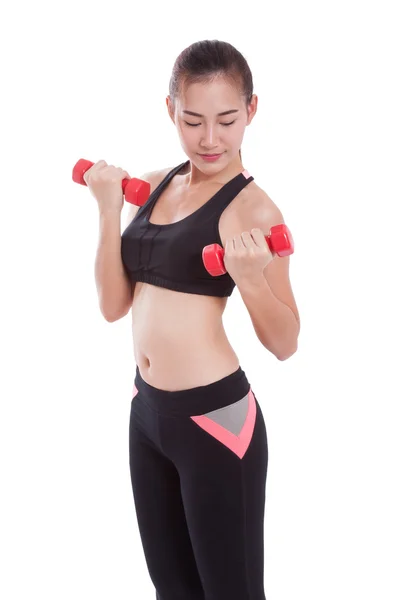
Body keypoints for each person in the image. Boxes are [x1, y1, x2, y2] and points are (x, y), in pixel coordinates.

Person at [84, 39, 300, 600]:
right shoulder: (155, 185)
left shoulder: (255, 210)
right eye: (193, 120)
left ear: (251, 111)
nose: (210, 139)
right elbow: (113, 306)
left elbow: (286, 342)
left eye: (227, 121)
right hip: (148, 415)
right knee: (173, 590)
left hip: (216, 425)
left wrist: (251, 278)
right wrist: (110, 209)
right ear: (171, 111)